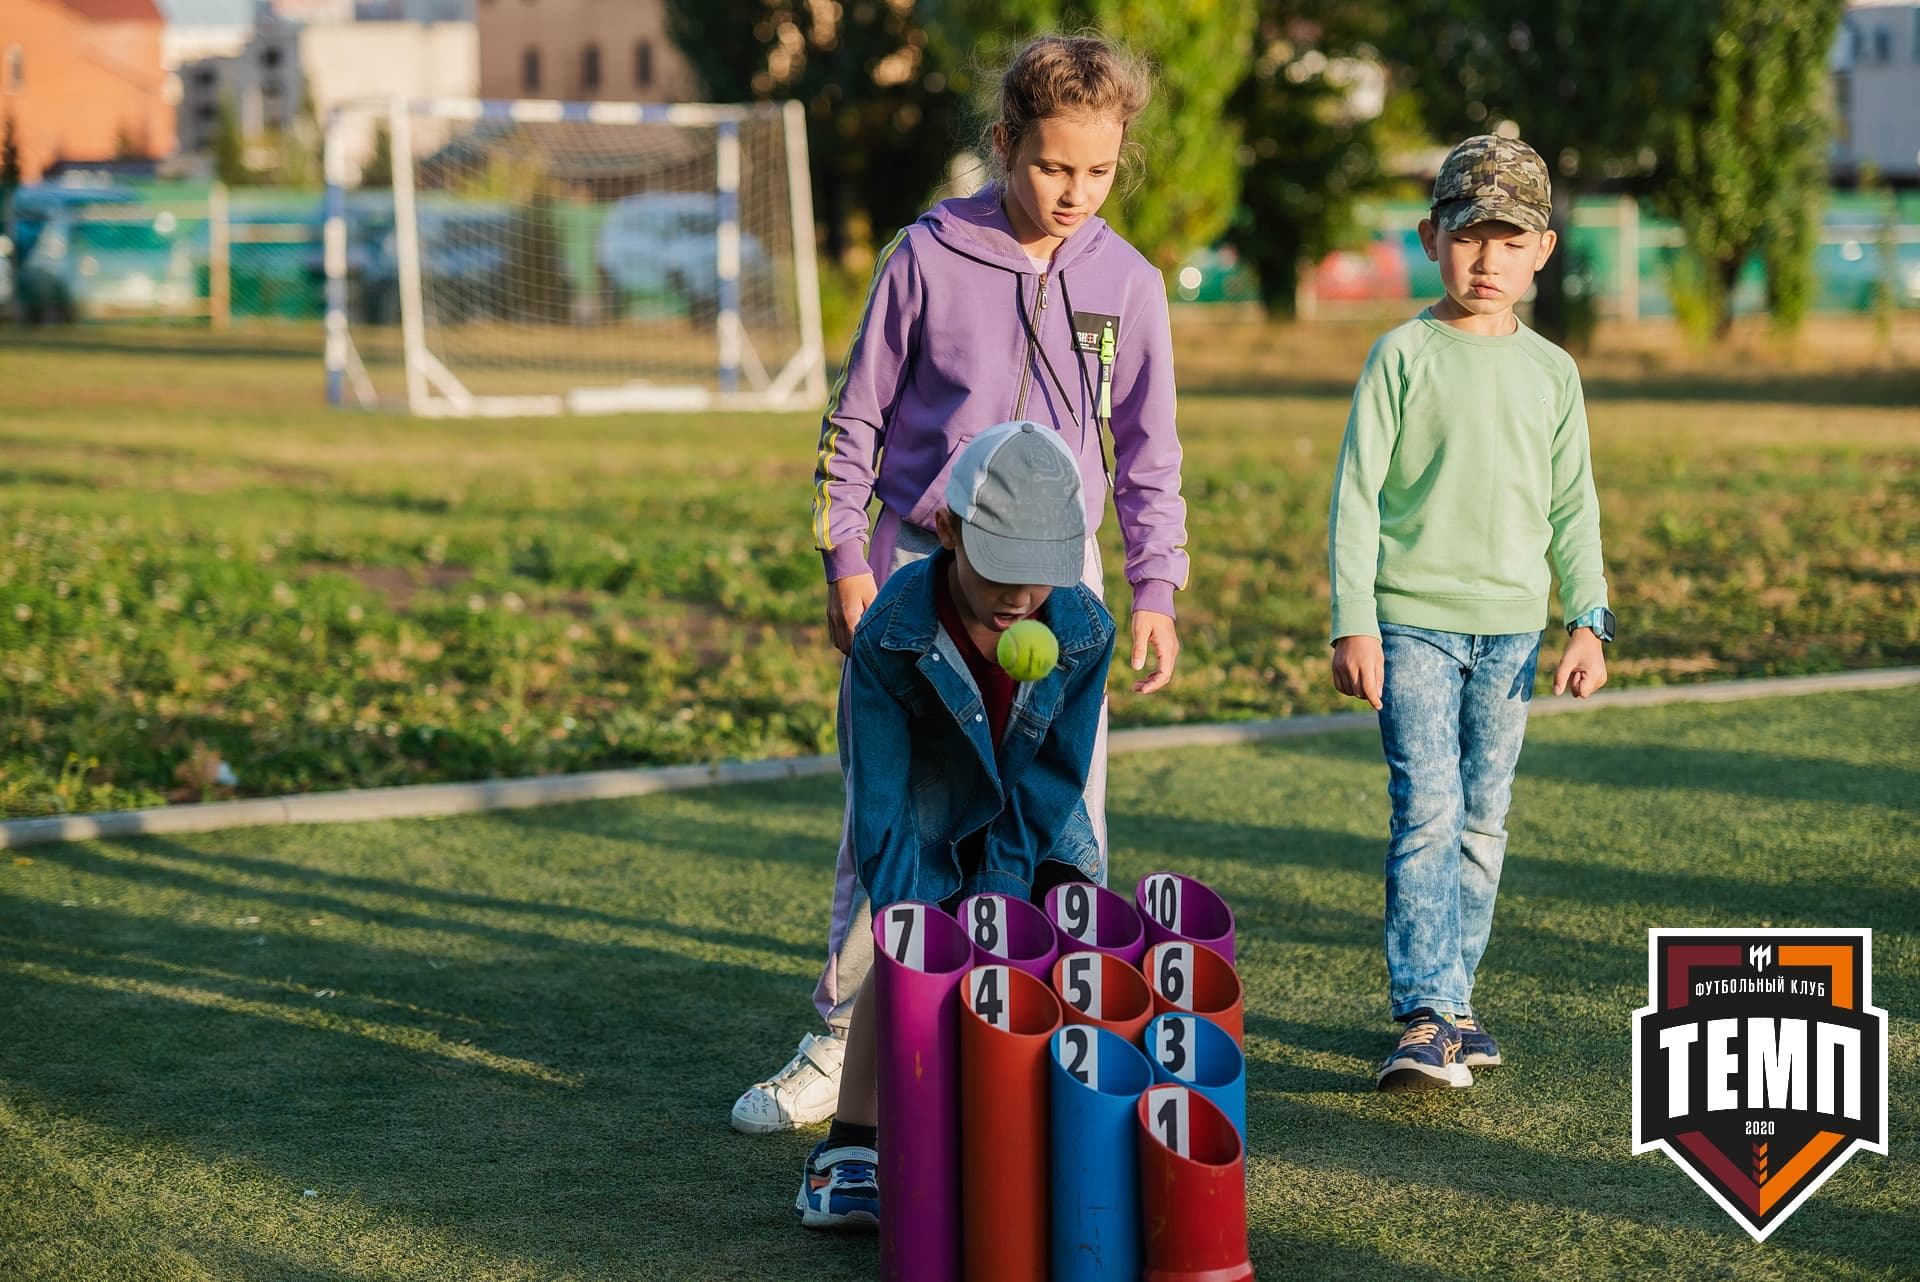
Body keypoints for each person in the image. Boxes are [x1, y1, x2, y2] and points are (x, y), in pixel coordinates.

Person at [733, 31, 1188, 1134]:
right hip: (922, 576)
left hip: (1056, 587)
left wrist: (1156, 587)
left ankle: (1034, 1035)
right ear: (1003, 145)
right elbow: (855, 422)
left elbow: (1149, 451)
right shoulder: (927, 254)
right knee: (891, 819)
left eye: (1098, 170)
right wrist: (847, 559)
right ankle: (845, 1045)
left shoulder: (1126, 280)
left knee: (1064, 813)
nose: (1075, 192)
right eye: (1051, 167)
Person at [1326, 134, 1615, 1092]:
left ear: (1544, 250)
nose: (1486, 258)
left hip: (1512, 635)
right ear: (1429, 238)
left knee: (1483, 821)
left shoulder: (1553, 372)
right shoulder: (1401, 356)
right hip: (1409, 623)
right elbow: (1357, 496)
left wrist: (1588, 617)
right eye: (1466, 235)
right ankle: (1423, 1013)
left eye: (1510, 237)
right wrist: (1352, 619)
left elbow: (1574, 504)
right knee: (1429, 810)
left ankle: (1458, 1004)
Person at [795, 420, 1114, 1227]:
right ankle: (849, 1149)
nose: (1019, 598)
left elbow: (1054, 781)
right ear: (947, 530)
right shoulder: (891, 633)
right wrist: (912, 918)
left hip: (1033, 814)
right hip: (922, 808)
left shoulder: (1081, 629)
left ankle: (1038, 1132)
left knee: (1053, 951)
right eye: (1001, 569)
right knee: (903, 956)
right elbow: (879, 791)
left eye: (1040, 575)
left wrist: (1003, 896)